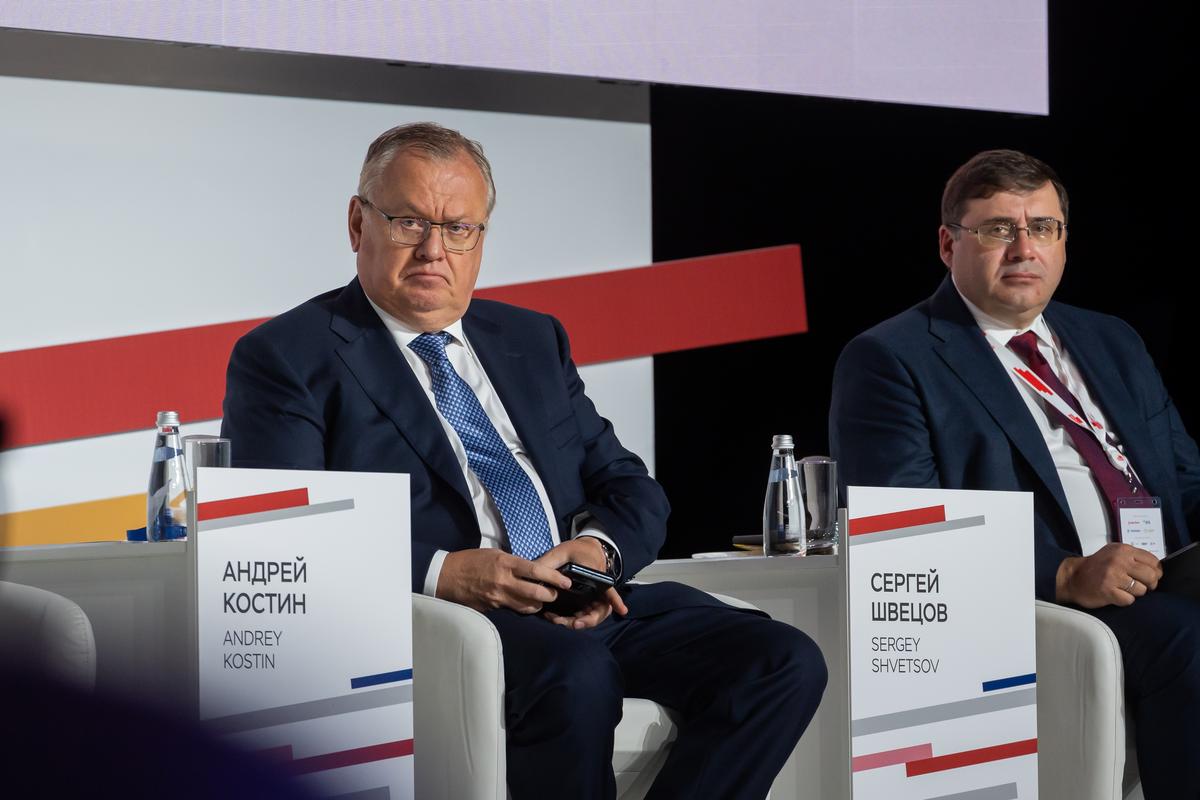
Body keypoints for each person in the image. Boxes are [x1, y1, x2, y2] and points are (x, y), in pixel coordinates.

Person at [222, 122, 826, 800]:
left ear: (481, 239)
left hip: (575, 604)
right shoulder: (287, 357)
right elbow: (286, 538)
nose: (433, 249)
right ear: (358, 223)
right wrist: (447, 572)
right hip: (433, 618)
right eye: (409, 222)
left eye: (459, 229)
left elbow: (630, 487)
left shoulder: (530, 339)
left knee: (782, 660)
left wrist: (597, 556)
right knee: (575, 676)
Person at [829, 149, 1200, 799]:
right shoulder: (890, 359)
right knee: (1185, 640)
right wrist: (1066, 573)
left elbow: (1182, 480)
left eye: (1044, 227)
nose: (1025, 248)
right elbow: (908, 531)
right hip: (1034, 604)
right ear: (949, 244)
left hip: (1162, 577)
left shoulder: (1112, 341)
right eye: (999, 229)